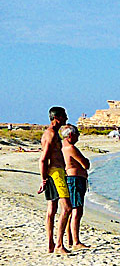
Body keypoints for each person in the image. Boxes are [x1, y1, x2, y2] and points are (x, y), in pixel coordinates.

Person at [37, 106, 70, 254]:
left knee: (52, 209)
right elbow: (43, 159)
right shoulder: (50, 135)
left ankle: (51, 244)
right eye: (64, 116)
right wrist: (43, 179)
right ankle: (58, 244)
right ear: (56, 118)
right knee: (67, 208)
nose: (66, 119)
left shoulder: (53, 134)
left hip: (55, 172)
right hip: (55, 173)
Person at [60, 124, 91, 249]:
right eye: (77, 134)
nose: (78, 136)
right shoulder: (71, 148)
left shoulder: (62, 147)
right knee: (77, 210)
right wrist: (86, 161)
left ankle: (71, 239)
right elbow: (85, 164)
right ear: (71, 135)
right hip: (75, 179)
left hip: (72, 179)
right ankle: (76, 241)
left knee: (72, 209)